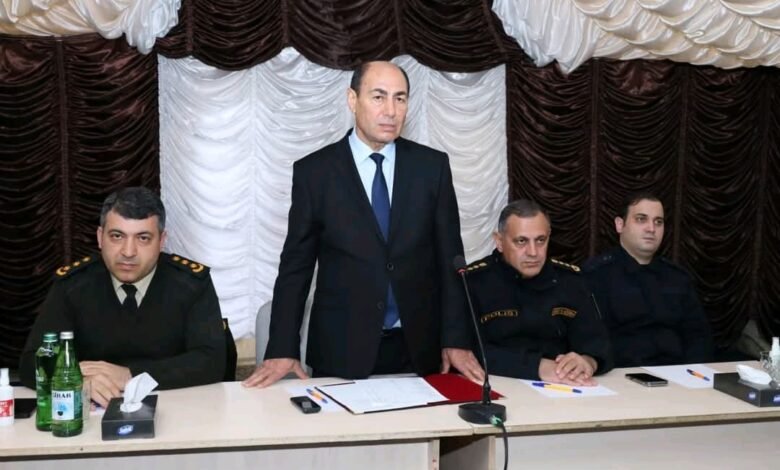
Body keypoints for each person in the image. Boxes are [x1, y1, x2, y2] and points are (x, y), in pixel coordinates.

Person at [243, 61, 483, 387]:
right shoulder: (316, 172)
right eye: (379, 97)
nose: (391, 111)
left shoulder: (432, 167)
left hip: (418, 348)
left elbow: (451, 260)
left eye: (400, 98)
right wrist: (283, 347)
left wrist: (456, 338)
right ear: (352, 100)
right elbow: (295, 268)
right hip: (341, 350)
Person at [19, 187, 226, 406]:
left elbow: (211, 361)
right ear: (100, 237)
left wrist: (131, 375)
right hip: (93, 411)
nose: (128, 252)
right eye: (117, 236)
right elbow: (31, 362)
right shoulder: (72, 285)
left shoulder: (191, 284)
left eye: (143, 238)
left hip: (179, 407)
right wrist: (77, 380)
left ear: (161, 241)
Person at [464, 200, 612, 385]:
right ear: (499, 242)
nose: (533, 252)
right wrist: (536, 367)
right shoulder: (474, 281)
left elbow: (598, 342)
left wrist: (588, 361)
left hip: (565, 386)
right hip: (497, 384)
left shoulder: (570, 281)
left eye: (540, 240)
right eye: (521, 241)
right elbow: (466, 352)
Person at [583, 192, 714, 367]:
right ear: (620, 225)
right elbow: (590, 340)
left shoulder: (678, 278)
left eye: (658, 222)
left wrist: (692, 373)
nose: (651, 228)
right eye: (641, 219)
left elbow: (699, 336)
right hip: (620, 374)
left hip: (678, 373)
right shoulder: (595, 275)